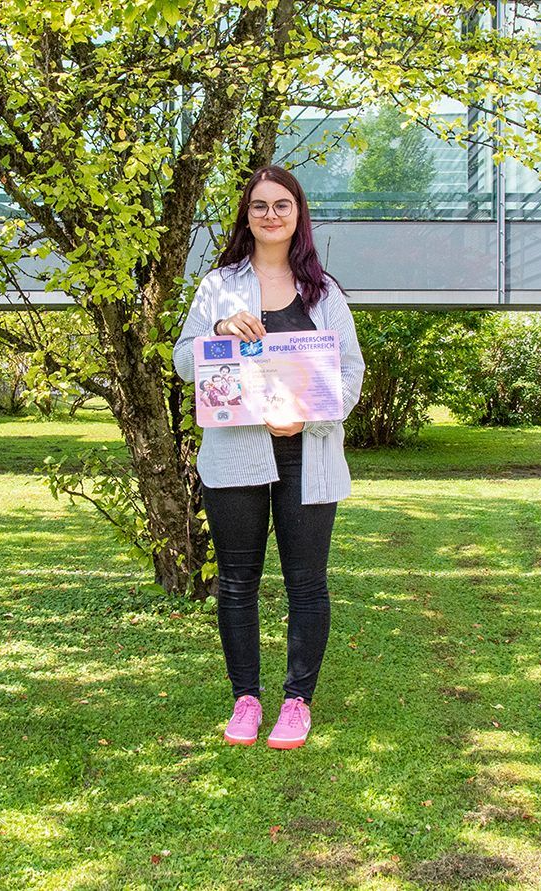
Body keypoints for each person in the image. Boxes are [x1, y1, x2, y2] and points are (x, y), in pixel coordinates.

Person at [173, 165, 364, 750]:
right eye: (260, 206)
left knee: (307, 583)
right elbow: (185, 364)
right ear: (246, 215)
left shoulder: (324, 292)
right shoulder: (219, 287)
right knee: (237, 581)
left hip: (309, 456)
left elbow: (350, 373)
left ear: (299, 214)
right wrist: (219, 334)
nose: (271, 215)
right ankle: (246, 699)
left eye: (282, 205)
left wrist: (309, 417)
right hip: (236, 458)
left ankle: (297, 701)